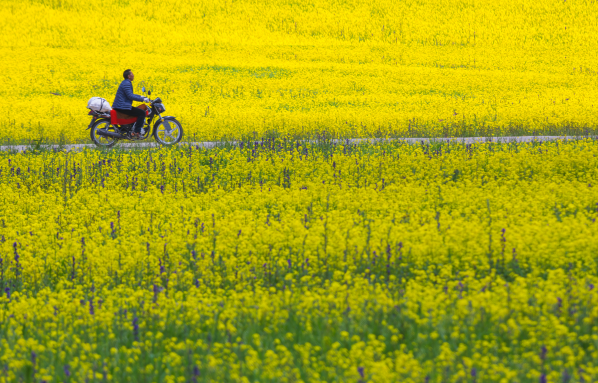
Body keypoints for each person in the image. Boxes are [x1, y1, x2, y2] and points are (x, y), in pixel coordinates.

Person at [112, 69, 150, 139]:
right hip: (122, 106)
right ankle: (136, 132)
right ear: (129, 76)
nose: (133, 75)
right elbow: (130, 96)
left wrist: (141, 96)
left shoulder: (126, 82)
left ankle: (133, 128)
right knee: (141, 113)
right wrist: (143, 99)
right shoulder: (127, 83)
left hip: (122, 105)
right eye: (132, 74)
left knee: (138, 111)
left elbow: (130, 94)